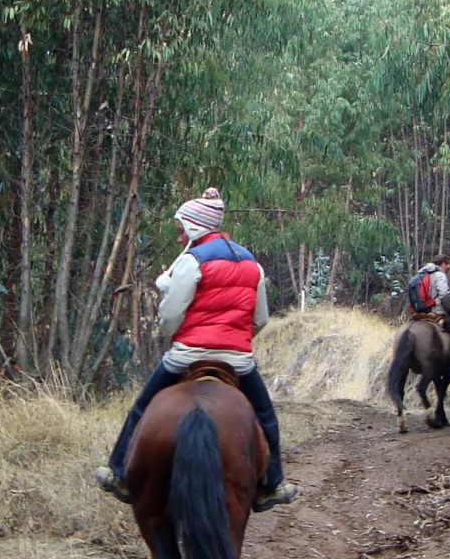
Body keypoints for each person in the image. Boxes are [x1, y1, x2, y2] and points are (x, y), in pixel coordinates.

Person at [94, 188, 299, 511]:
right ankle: (272, 484)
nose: (179, 238)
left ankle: (118, 472)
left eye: (181, 230)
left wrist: (172, 335)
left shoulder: (191, 262)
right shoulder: (252, 264)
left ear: (194, 228)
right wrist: (236, 340)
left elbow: (171, 315)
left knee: (141, 408)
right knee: (266, 417)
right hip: (238, 359)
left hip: (187, 354)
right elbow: (260, 319)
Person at [407, 254, 450, 376]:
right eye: (446, 263)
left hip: (420, 313)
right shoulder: (439, 275)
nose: (448, 266)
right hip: (436, 312)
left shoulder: (420, 274)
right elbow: (444, 295)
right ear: (440, 264)